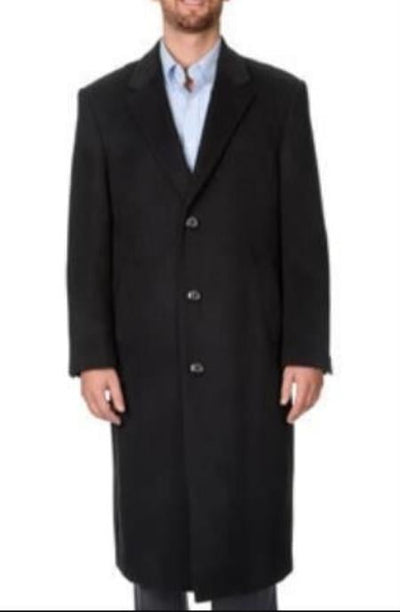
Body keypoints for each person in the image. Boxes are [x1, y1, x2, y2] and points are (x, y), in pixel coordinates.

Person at [67, 0, 332, 609]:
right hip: (146, 372)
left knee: (248, 559)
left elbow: (304, 237)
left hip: (248, 366)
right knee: (155, 563)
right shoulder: (103, 105)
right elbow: (88, 242)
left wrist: (306, 348)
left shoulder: (280, 100)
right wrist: (92, 354)